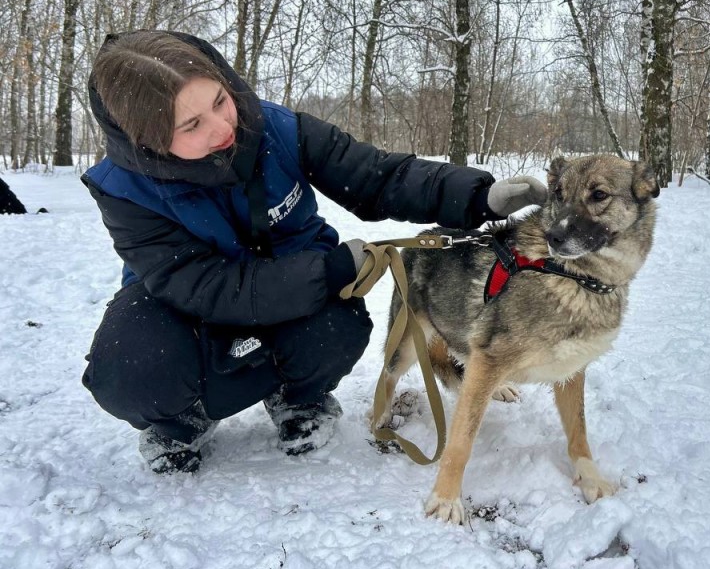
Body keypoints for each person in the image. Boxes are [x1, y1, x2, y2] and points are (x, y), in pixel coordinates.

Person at [81, 29, 547, 475]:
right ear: (149, 141)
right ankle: (183, 418)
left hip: (294, 292)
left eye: (220, 100)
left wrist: (478, 197)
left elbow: (377, 176)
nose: (224, 126)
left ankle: (298, 396)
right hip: (190, 311)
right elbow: (201, 285)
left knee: (337, 325)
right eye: (192, 125)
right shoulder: (125, 189)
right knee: (129, 366)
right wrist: (326, 272)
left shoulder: (277, 130)